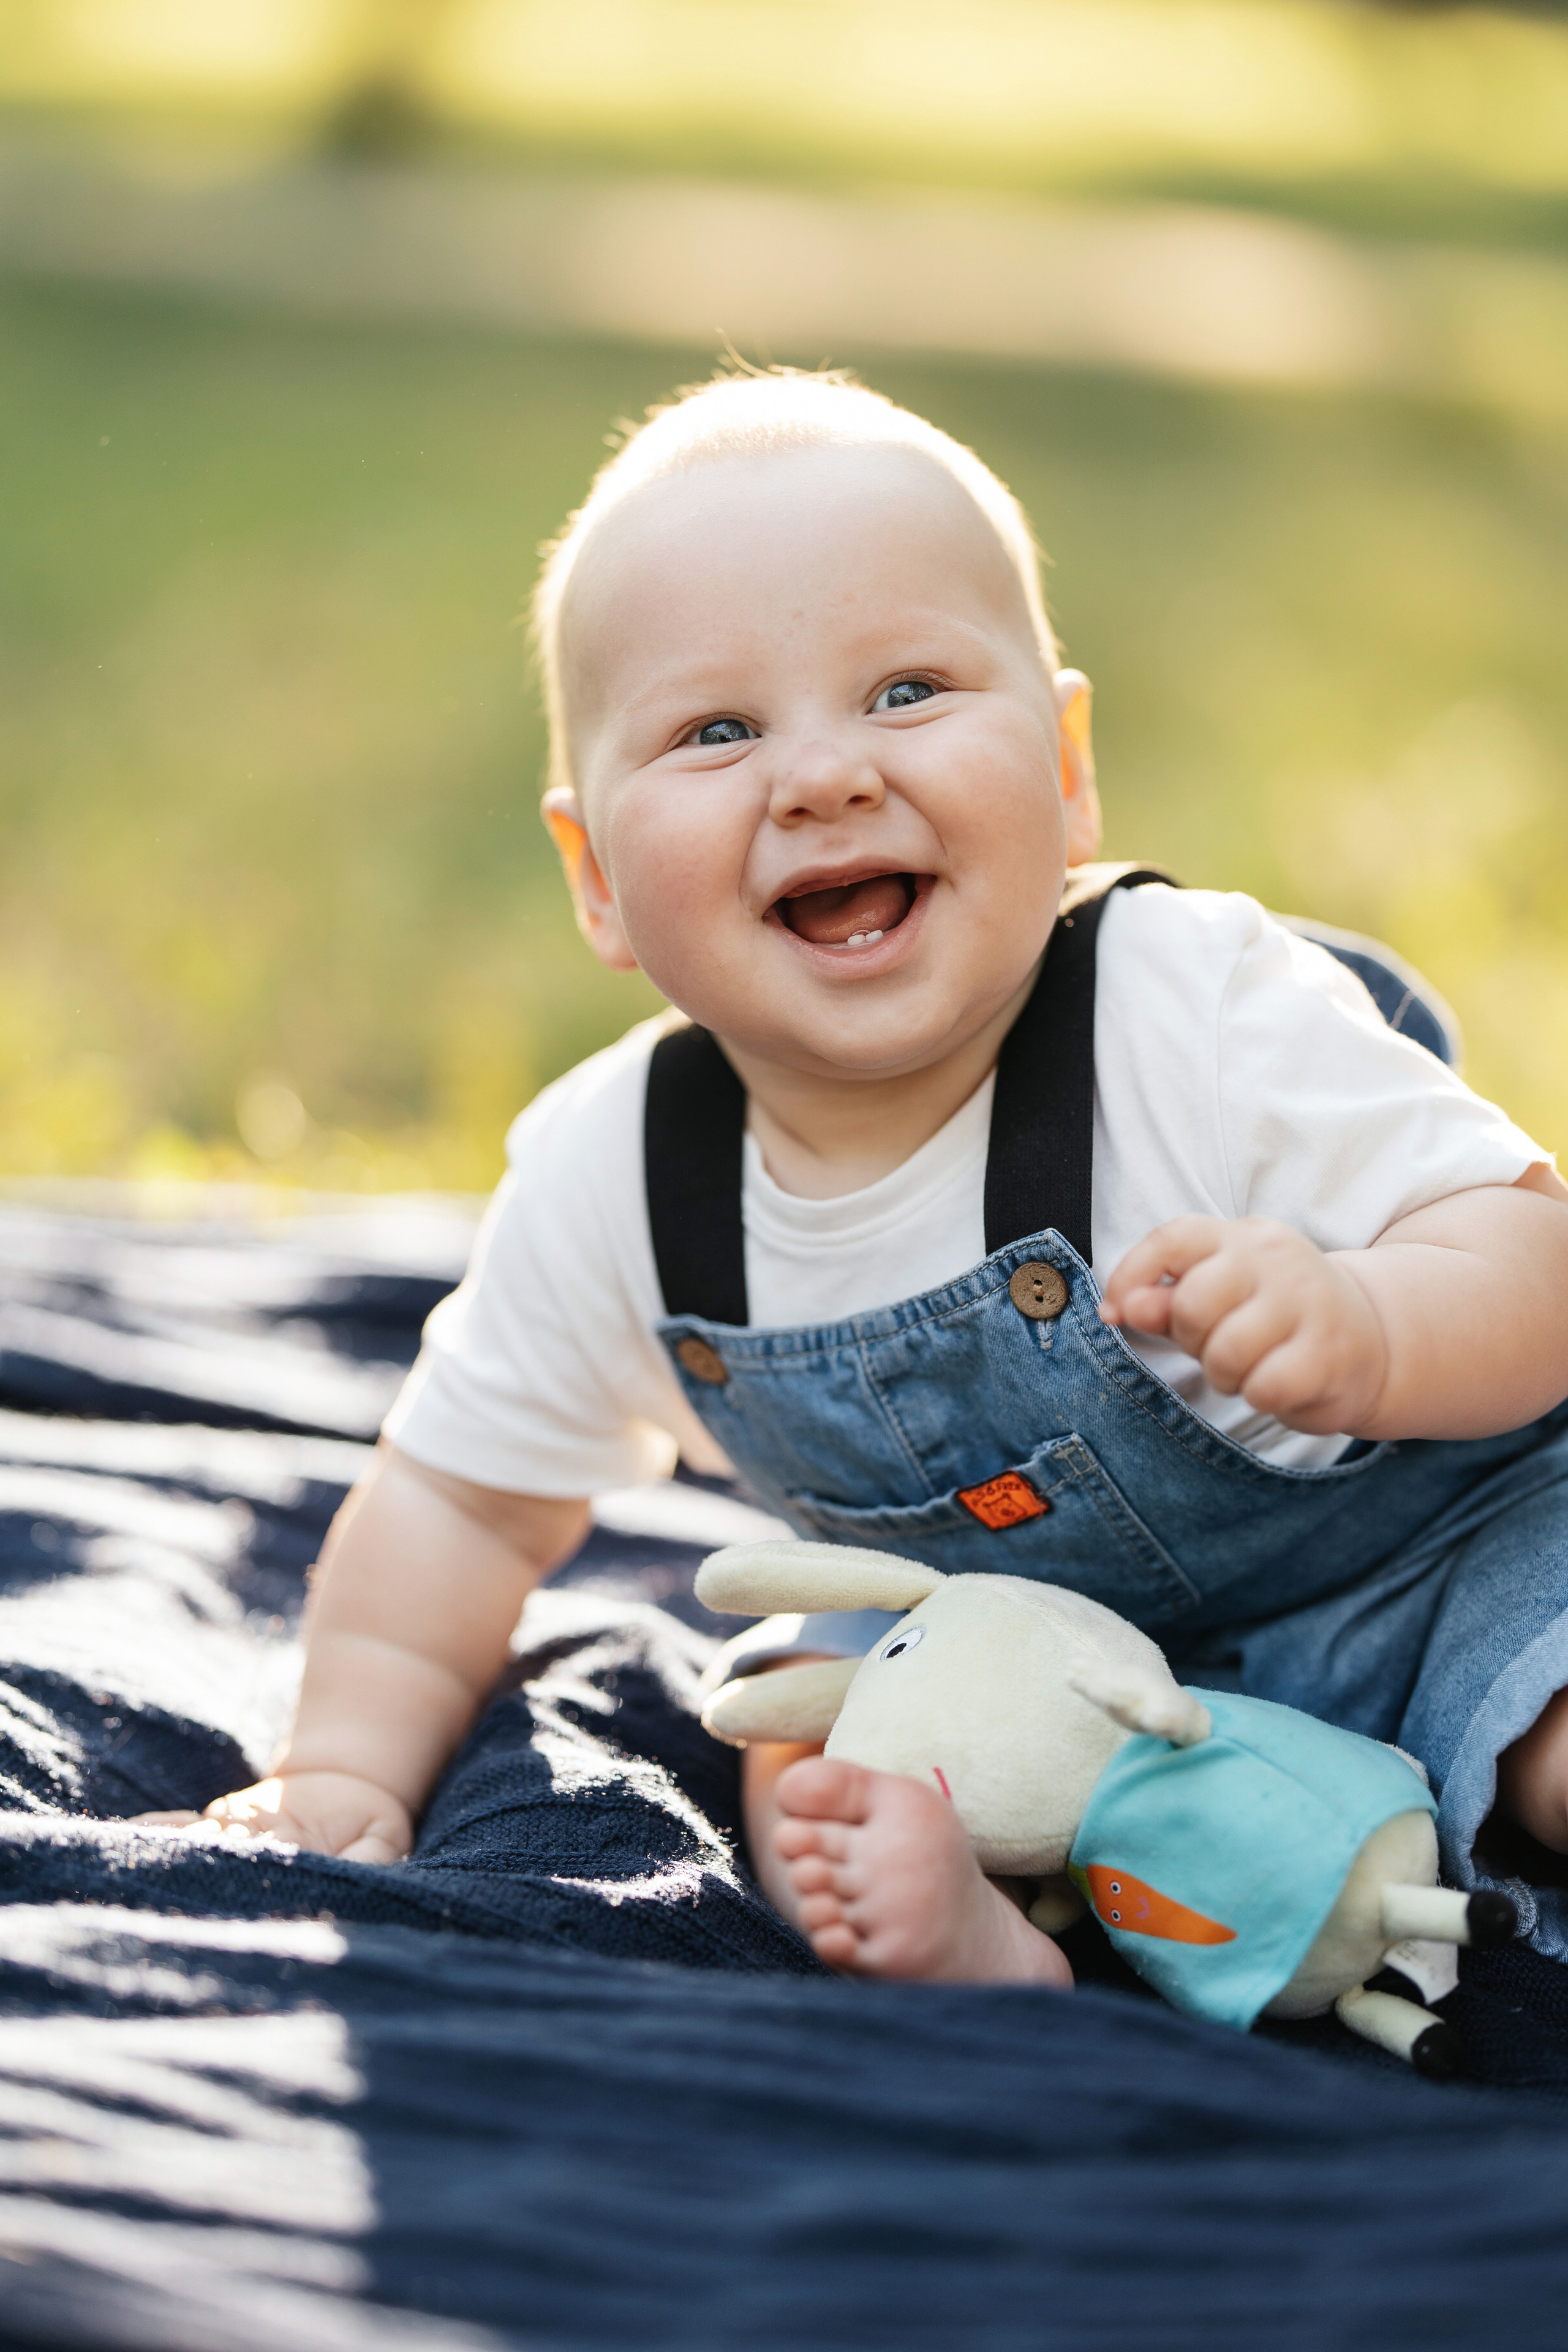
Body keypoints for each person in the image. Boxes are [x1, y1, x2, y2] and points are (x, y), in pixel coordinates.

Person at [150, 369, 1568, 1991]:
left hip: (1443, 1563)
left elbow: (1529, 1255)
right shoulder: (621, 1175)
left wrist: (1374, 1324)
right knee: (800, 1731)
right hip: (1019, 1682)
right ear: (596, 879)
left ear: (1068, 768)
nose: (823, 776)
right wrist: (344, 1766)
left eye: (907, 691)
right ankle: (980, 1946)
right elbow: (460, 1504)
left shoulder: (1195, 1008)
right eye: (717, 731)